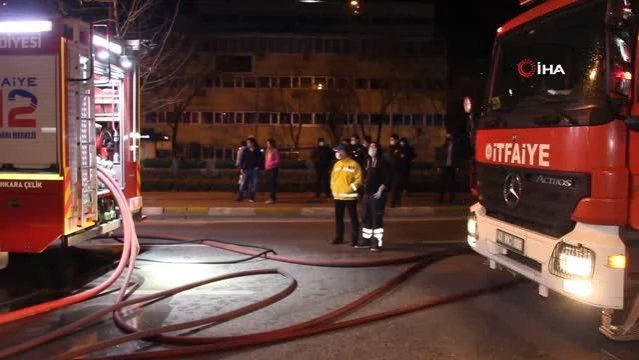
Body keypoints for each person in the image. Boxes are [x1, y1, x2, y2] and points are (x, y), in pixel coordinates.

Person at [356, 142, 392, 252]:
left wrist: (381, 190)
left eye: (374, 147)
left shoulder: (382, 162)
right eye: (370, 147)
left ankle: (377, 243)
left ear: (378, 150)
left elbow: (388, 179)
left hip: (377, 195)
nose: (371, 149)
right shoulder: (368, 161)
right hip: (367, 195)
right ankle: (366, 241)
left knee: (377, 219)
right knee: (366, 218)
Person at [330, 144, 363, 246]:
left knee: (353, 218)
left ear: (345, 152)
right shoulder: (337, 164)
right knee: (338, 218)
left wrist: (350, 189)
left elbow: (359, 179)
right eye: (337, 151)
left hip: (350, 197)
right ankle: (339, 237)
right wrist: (333, 188)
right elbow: (333, 179)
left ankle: (354, 239)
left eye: (340, 151)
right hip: (338, 196)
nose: (338, 153)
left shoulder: (354, 164)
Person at [436, 133, 460, 204]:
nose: (448, 139)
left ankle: (451, 199)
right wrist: (438, 166)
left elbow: (457, 157)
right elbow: (440, 156)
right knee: (442, 183)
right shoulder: (444, 146)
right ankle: (441, 199)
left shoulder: (455, 147)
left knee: (451, 184)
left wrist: (457, 166)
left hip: (452, 167)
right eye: (447, 137)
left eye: (450, 137)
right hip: (444, 166)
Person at [237, 137, 263, 202]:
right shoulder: (245, 150)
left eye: (248, 142)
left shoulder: (257, 151)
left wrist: (258, 166)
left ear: (252, 143)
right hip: (246, 169)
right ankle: (240, 196)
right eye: (247, 143)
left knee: (253, 184)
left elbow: (262, 160)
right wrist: (241, 168)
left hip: (254, 170)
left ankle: (252, 197)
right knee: (242, 183)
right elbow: (242, 160)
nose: (247, 144)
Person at [387, 134, 404, 207]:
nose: (391, 141)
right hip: (390, 170)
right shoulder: (390, 148)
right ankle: (397, 200)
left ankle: (393, 202)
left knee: (395, 186)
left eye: (393, 140)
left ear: (396, 140)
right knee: (393, 187)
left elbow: (399, 159)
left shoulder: (400, 148)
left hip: (397, 170)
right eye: (390, 140)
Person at [264, 138, 280, 204]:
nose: (267, 145)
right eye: (267, 143)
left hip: (274, 169)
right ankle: (272, 198)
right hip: (268, 169)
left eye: (268, 143)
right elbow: (266, 159)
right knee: (270, 184)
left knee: (273, 184)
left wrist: (271, 164)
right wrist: (266, 166)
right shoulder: (267, 150)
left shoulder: (275, 150)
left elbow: (278, 160)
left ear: (271, 144)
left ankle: (272, 198)